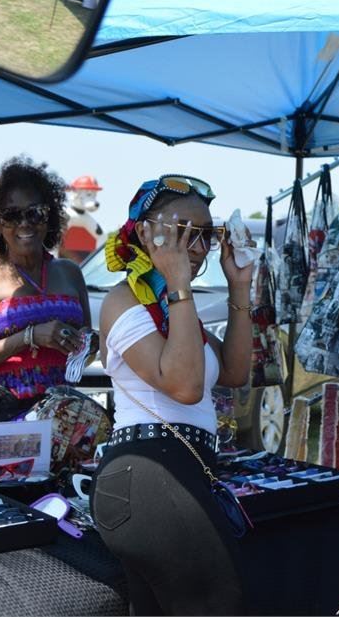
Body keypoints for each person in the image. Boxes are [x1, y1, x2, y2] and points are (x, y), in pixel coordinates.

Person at [92, 175, 254, 615]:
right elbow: (183, 386)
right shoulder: (123, 301)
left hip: (176, 469)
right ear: (145, 232)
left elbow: (236, 372)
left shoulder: (174, 309)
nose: (198, 246)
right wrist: (179, 281)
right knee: (219, 605)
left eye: (207, 233)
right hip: (148, 471)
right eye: (186, 231)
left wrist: (239, 286)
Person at [0, 156, 91, 475]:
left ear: (49, 216)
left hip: (63, 428)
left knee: (63, 517)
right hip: (2, 425)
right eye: (12, 215)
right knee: (5, 521)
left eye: (34, 212)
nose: (24, 223)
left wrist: (85, 345)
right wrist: (28, 337)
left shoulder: (70, 273)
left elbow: (85, 348)